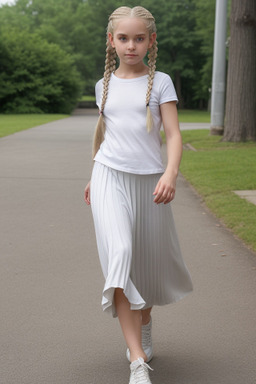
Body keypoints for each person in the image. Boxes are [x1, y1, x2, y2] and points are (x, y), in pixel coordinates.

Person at [84, 6, 193, 384]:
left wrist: (171, 173)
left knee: (143, 272)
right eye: (123, 38)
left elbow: (174, 135)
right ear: (111, 41)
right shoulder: (103, 85)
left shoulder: (160, 81)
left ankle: (144, 327)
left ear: (151, 41)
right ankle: (137, 360)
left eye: (139, 38)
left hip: (150, 184)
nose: (131, 45)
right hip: (108, 178)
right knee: (121, 256)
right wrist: (92, 175)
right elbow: (105, 134)